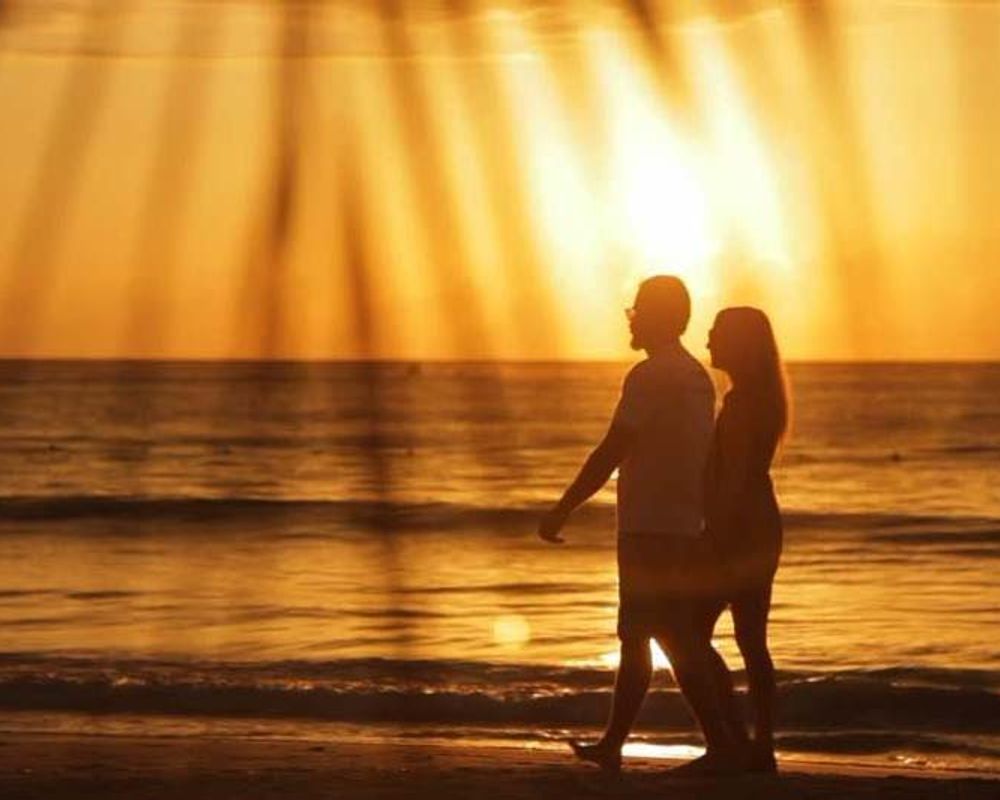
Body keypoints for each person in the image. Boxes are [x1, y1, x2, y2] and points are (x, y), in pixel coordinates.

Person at [537, 276, 744, 775]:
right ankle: (617, 743)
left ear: (658, 317)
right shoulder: (697, 376)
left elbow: (613, 447)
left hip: (651, 527)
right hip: (680, 525)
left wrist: (564, 506)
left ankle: (722, 745)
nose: (630, 318)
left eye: (638, 311)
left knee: (671, 638)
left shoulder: (650, 376)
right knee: (641, 636)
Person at [700, 306, 788, 773]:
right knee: (752, 639)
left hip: (740, 531)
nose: (708, 338)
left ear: (739, 343)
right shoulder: (761, 398)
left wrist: (712, 536)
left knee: (688, 633)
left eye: (716, 332)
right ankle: (761, 745)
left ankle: (731, 742)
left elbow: (733, 481)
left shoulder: (741, 405)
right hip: (761, 527)